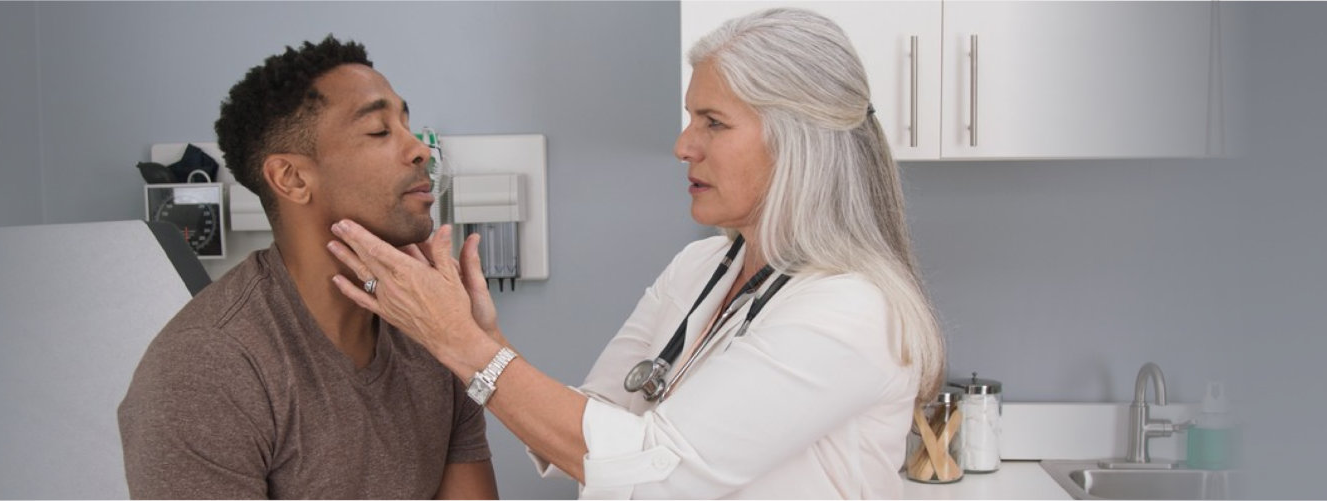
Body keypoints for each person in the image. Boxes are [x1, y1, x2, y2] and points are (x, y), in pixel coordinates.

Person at [323, 8, 946, 499]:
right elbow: (597, 420)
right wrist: (486, 338)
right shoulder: (701, 268)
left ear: (797, 141)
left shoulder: (851, 311)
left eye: (713, 122)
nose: (683, 145)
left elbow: (656, 473)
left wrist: (459, 343)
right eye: (689, 119)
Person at [116, 35, 498, 499]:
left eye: (407, 124)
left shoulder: (434, 332)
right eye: (380, 131)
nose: (419, 149)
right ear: (293, 179)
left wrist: (473, 346)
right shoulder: (207, 369)